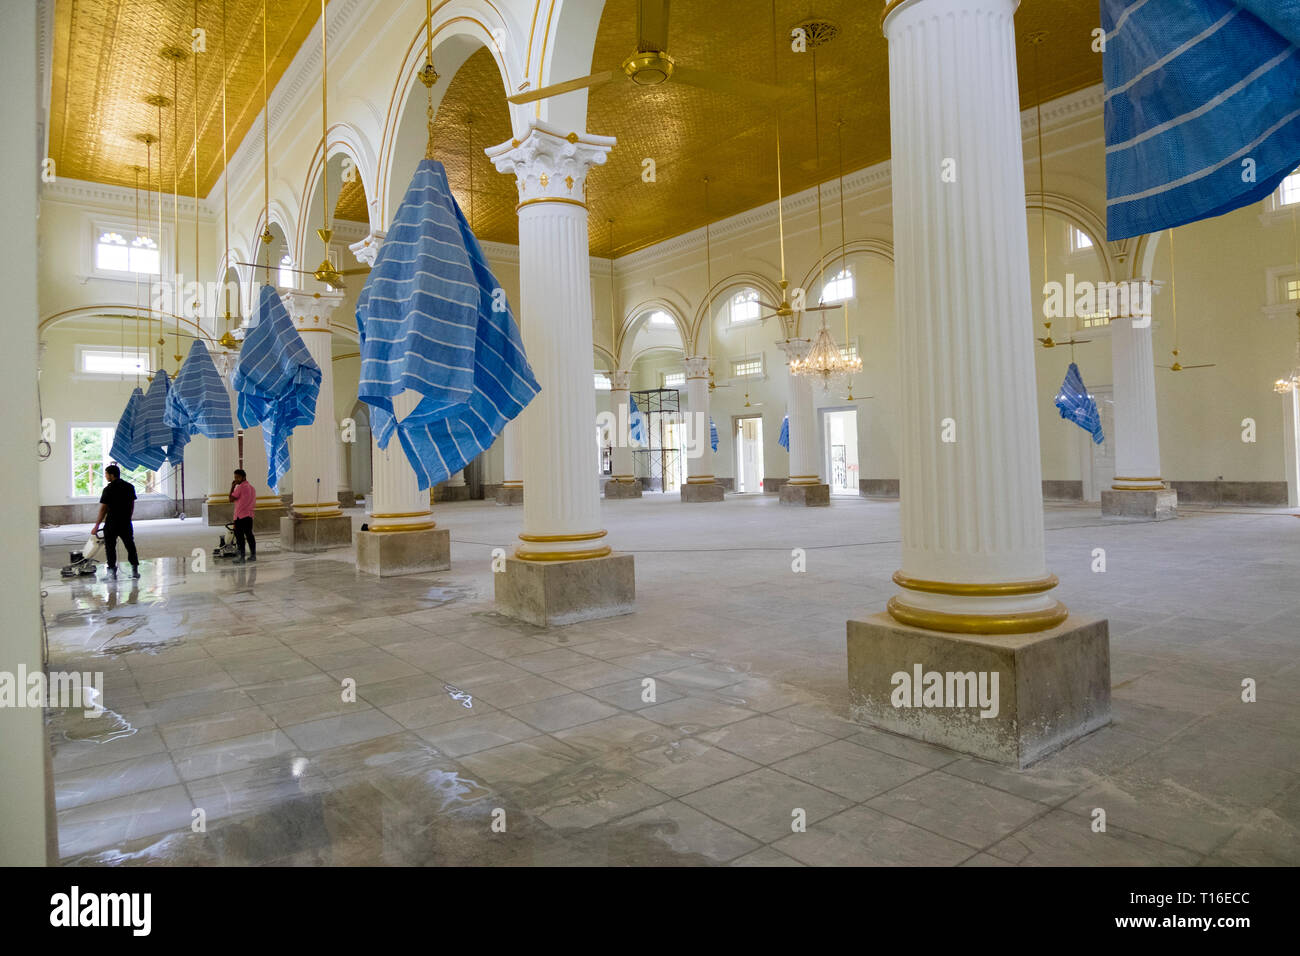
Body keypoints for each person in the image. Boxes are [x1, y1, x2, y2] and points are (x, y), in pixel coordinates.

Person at [91, 464, 140, 579]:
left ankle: (112, 573)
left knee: (110, 547)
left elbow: (103, 509)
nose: (105, 476)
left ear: (111, 475)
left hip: (112, 523)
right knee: (130, 545)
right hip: (125, 522)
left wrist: (97, 525)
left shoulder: (108, 489)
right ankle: (135, 571)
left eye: (106, 474)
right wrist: (128, 517)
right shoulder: (129, 487)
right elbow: (132, 505)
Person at [228, 468, 257, 564]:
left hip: (240, 516)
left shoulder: (239, 487)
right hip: (249, 516)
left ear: (243, 477)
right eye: (235, 477)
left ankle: (242, 557)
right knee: (249, 536)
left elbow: (231, 499)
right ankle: (253, 555)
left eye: (237, 477)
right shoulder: (252, 488)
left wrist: (232, 487)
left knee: (240, 537)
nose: (236, 479)